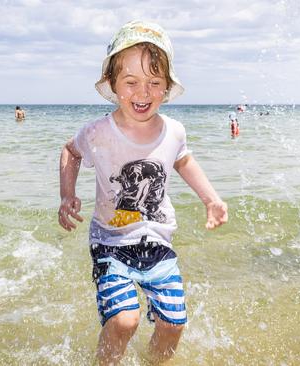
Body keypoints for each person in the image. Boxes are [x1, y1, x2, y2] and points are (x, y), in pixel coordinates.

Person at [58, 20, 228, 365]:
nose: (143, 92)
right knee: (125, 320)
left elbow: (183, 161)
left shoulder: (174, 131)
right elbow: (70, 151)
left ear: (167, 87)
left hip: (158, 240)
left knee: (173, 324)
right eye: (131, 82)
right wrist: (67, 194)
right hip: (110, 240)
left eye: (154, 82)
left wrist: (210, 199)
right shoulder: (98, 133)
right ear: (112, 84)